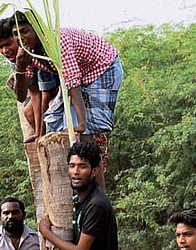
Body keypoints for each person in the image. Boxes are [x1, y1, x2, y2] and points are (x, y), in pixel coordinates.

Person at [12, 11, 123, 183]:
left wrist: (82, 123)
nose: (21, 37)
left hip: (102, 70)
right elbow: (20, 96)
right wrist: (19, 66)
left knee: (86, 134)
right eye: (16, 34)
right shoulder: (27, 51)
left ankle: (97, 194)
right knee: (53, 122)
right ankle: (76, 186)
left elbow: (72, 81)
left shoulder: (56, 42)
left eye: (25, 31)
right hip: (79, 78)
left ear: (38, 30)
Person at [0, 16, 58, 142]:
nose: (5, 50)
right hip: (43, 90)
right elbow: (32, 93)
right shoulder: (17, 58)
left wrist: (39, 133)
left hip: (58, 86)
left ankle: (49, 138)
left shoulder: (34, 51)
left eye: (8, 44)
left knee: (52, 108)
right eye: (0, 47)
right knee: (28, 112)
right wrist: (19, 70)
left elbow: (44, 93)